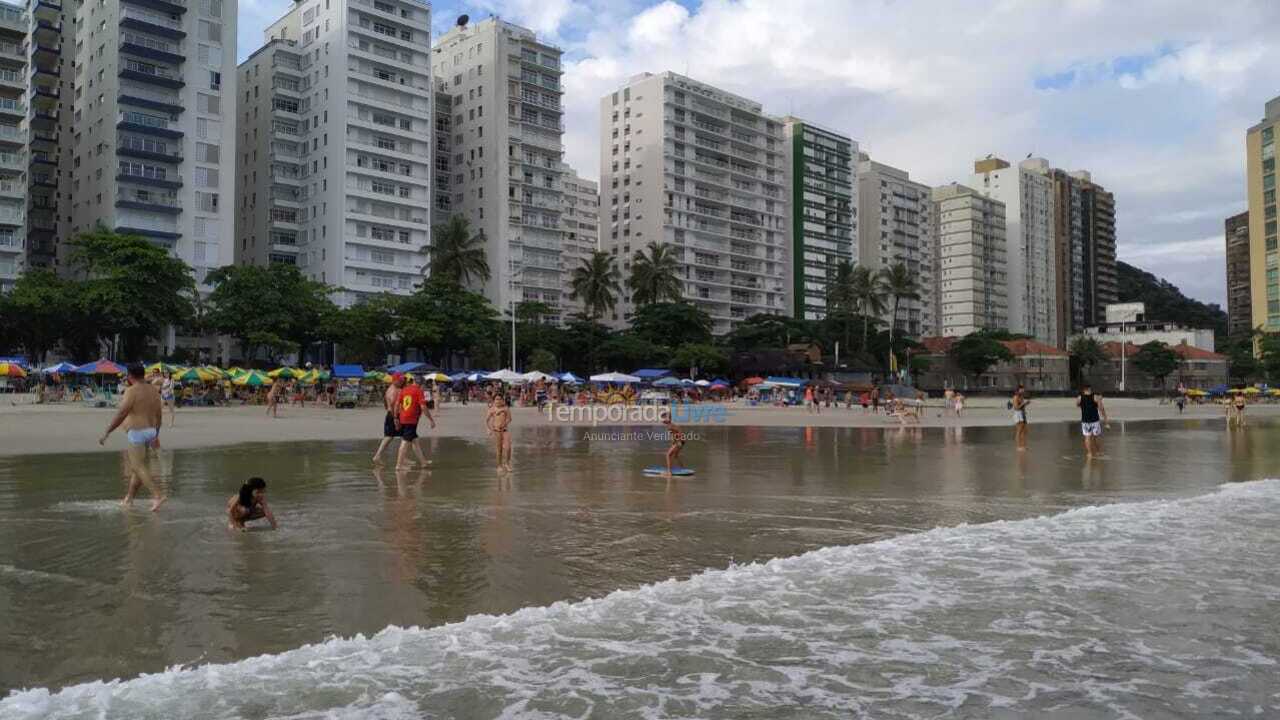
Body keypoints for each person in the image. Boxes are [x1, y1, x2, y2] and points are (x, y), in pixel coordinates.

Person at [98, 364, 166, 511]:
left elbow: (122, 413)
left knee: (137, 466)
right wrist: (156, 434)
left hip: (137, 432)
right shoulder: (153, 391)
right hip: (151, 430)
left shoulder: (131, 391)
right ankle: (129, 498)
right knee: (138, 469)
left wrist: (107, 432)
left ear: (130, 376)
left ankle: (157, 495)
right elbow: (159, 415)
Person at [395, 374, 434, 469]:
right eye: (424, 384)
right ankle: (399, 465)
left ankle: (423, 463)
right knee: (405, 442)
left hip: (403, 418)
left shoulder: (404, 389)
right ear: (421, 384)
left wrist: (396, 417)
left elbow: (397, 404)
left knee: (415, 441)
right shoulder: (419, 391)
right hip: (411, 420)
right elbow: (423, 407)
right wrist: (431, 420)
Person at [372, 373, 405, 466]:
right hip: (394, 415)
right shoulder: (393, 391)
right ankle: (377, 456)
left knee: (401, 437)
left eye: (402, 380)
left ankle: (403, 457)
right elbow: (392, 406)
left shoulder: (396, 389)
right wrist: (395, 418)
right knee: (391, 436)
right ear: (394, 380)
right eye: (400, 380)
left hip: (395, 415)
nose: (402, 381)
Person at [1076, 383, 1110, 459]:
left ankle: (1089, 453)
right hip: (1095, 420)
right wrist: (1106, 422)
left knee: (1087, 437)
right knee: (1096, 437)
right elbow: (1102, 410)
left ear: (1083, 389)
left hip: (1085, 421)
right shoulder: (1095, 397)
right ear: (1090, 388)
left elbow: (1077, 405)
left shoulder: (1079, 398)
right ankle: (1098, 452)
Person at [487, 394, 513, 471]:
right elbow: (487, 420)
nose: (498, 401)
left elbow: (509, 419)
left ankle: (507, 464)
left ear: (502, 400)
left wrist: (505, 424)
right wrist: (488, 429)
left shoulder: (506, 408)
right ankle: (499, 465)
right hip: (496, 431)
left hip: (505, 430)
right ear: (494, 401)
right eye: (496, 399)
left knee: (508, 448)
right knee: (499, 449)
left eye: (500, 399)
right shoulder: (492, 409)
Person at [660, 411, 685, 478]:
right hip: (681, 441)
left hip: (679, 441)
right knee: (675, 456)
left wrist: (678, 441)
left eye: (663, 420)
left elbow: (679, 431)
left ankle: (669, 472)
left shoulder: (670, 426)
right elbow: (676, 433)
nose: (662, 422)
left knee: (668, 455)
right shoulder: (670, 424)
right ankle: (682, 468)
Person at [1012, 384, 1029, 451]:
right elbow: (1016, 408)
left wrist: (1026, 405)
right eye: (1021, 389)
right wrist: (1024, 404)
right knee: (1019, 431)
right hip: (1018, 414)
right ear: (1018, 390)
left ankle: (1023, 446)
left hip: (1022, 414)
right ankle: (1018, 447)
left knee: (1025, 431)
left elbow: (1022, 406)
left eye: (1023, 389)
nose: (1023, 390)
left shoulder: (1021, 396)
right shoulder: (1015, 397)